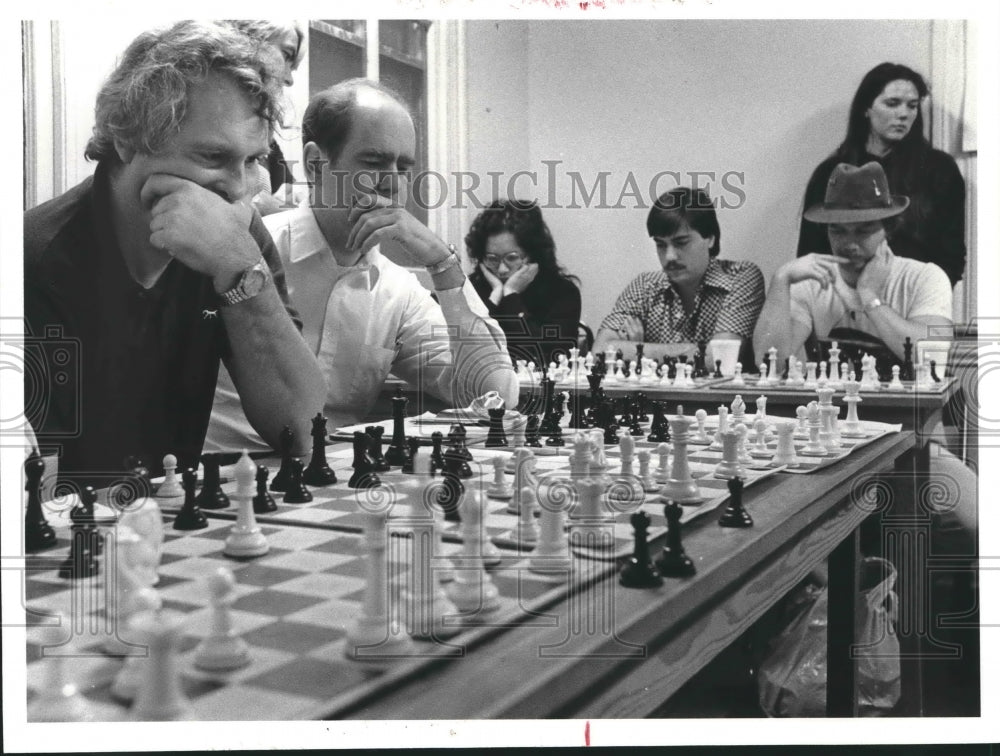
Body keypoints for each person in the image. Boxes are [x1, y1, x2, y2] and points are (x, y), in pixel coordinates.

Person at [23, 21, 326, 482]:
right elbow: (37, 487)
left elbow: (301, 429)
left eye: (253, 160)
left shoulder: (235, 233)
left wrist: (238, 267)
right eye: (212, 158)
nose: (239, 189)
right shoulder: (31, 259)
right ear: (126, 138)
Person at [206, 78, 518, 449]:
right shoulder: (237, 251)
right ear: (315, 164)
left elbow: (495, 392)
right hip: (224, 479)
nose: (392, 184)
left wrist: (441, 260)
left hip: (324, 490)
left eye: (404, 168)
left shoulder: (397, 292)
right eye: (374, 162)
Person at [755, 161, 952, 366]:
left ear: (889, 230)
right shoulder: (810, 283)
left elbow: (934, 360)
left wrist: (870, 297)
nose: (849, 243)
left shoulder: (925, 277)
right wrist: (781, 280)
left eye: (863, 231)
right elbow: (771, 366)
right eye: (838, 231)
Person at [797, 62, 967, 286]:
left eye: (912, 106)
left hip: (913, 297)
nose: (904, 114)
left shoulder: (939, 169)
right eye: (892, 103)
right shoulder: (832, 172)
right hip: (841, 300)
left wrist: (927, 298)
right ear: (866, 108)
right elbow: (811, 253)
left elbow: (951, 254)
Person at [593, 186, 765, 366]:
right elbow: (600, 351)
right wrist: (697, 352)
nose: (670, 256)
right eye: (661, 245)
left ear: (710, 238)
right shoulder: (644, 286)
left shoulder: (740, 277)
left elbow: (721, 358)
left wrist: (638, 349)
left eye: (681, 243)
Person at [466, 199, 582, 367]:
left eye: (511, 258)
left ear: (533, 255)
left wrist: (511, 296)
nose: (502, 269)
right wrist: (494, 298)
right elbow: (467, 353)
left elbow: (544, 358)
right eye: (492, 259)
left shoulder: (563, 292)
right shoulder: (472, 288)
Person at [225, 20, 307, 215]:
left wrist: (292, 199)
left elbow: (288, 194)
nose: (289, 79)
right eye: (286, 55)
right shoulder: (201, 114)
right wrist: (261, 206)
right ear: (248, 40)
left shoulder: (265, 132)